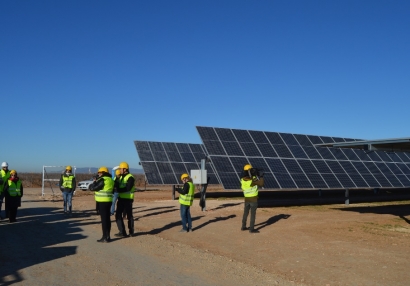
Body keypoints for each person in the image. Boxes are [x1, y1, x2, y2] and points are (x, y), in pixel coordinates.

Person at [89, 166, 114, 243]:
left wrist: (94, 182)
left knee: (104, 220)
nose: (98, 174)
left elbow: (92, 188)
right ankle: (108, 236)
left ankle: (104, 237)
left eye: (99, 172)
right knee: (107, 219)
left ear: (103, 172)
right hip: (109, 201)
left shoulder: (103, 179)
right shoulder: (110, 179)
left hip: (102, 202)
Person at [241, 164, 264, 233]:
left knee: (245, 213)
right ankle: (251, 229)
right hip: (253, 199)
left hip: (246, 198)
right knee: (252, 214)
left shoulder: (242, 180)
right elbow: (261, 184)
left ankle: (243, 226)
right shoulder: (253, 180)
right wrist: (261, 176)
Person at [115, 162, 135, 238]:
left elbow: (128, 188)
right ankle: (122, 232)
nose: (119, 170)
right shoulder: (120, 177)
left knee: (129, 216)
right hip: (121, 199)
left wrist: (118, 190)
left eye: (120, 168)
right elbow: (116, 185)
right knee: (118, 215)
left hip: (128, 199)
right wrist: (116, 179)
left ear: (125, 169)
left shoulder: (130, 177)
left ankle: (131, 232)